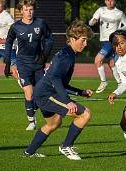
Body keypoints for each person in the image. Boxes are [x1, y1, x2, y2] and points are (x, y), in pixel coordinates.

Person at [23, 19, 94, 160]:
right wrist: (68, 101)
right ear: (73, 39)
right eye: (83, 40)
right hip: (46, 94)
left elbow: (60, 82)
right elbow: (55, 80)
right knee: (85, 114)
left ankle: (28, 153)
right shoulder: (66, 57)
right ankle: (66, 146)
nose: (85, 44)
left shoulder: (68, 54)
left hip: (43, 93)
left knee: (54, 123)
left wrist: (80, 92)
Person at [4, 0, 54, 130]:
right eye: (26, 10)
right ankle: (31, 121)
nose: (29, 12)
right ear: (21, 11)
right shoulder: (16, 26)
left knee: (40, 93)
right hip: (23, 64)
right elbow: (8, 42)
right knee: (29, 93)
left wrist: (44, 55)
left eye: (31, 9)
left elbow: (50, 38)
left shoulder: (41, 23)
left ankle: (36, 108)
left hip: (38, 64)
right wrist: (7, 62)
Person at [89, 0, 126, 93]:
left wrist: (118, 31)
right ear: (105, 1)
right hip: (103, 40)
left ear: (114, 2)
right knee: (111, 62)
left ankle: (104, 81)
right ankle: (120, 83)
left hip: (111, 40)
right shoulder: (100, 10)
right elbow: (90, 22)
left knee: (97, 60)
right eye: (107, 0)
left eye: (111, 1)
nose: (109, 2)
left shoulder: (119, 13)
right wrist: (93, 21)